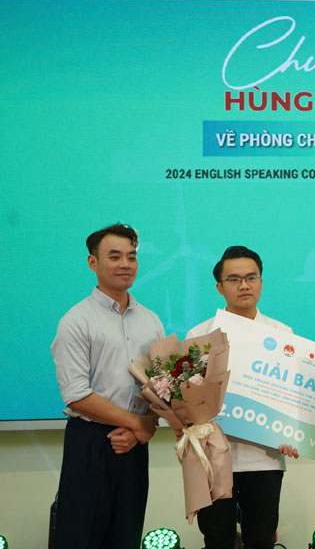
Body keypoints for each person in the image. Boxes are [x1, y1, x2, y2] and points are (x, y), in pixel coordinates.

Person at [50, 223, 164, 549]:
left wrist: (148, 424)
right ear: (92, 263)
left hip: (134, 444)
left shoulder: (150, 320)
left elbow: (161, 389)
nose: (125, 264)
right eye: (114, 257)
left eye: (131, 257)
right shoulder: (76, 321)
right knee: (80, 536)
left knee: (127, 535)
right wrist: (136, 424)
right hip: (90, 442)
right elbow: (77, 394)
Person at [187, 246, 298, 549]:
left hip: (264, 458)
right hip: (212, 457)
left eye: (251, 277)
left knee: (261, 538)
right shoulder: (200, 335)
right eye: (234, 279)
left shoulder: (283, 335)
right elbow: (185, 401)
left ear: (261, 281)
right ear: (219, 287)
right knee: (217, 538)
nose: (244, 285)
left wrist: (293, 431)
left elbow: (292, 398)